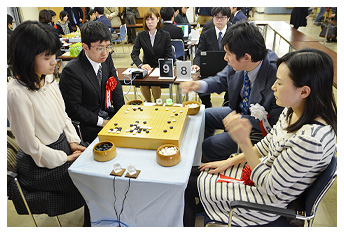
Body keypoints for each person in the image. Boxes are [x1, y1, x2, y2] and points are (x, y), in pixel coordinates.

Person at [183, 48, 337, 226]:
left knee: (186, 185)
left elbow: (269, 186)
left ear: (304, 91)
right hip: (262, 176)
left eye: (279, 83)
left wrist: (244, 142)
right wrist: (228, 162)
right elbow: (267, 143)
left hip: (264, 202)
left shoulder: (311, 141)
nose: (273, 87)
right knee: (192, 174)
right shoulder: (293, 110)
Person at [7, 20, 90, 226]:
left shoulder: (48, 77)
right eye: (47, 57)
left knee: (95, 163)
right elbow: (31, 147)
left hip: (62, 146)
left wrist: (72, 141)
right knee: (88, 181)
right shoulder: (16, 93)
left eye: (54, 55)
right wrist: (66, 157)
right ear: (27, 57)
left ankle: (95, 222)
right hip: (42, 162)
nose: (54, 61)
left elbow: (63, 115)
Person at [180, 22, 283, 162]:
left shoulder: (276, 77)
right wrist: (198, 84)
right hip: (238, 111)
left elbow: (274, 123)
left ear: (246, 57)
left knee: (210, 145)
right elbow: (222, 80)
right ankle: (200, 150)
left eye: (228, 54)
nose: (225, 58)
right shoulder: (244, 62)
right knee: (202, 116)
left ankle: (208, 160)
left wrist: (241, 120)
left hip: (257, 129)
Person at [59, 21, 124, 143]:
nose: (105, 53)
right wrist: (103, 122)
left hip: (107, 114)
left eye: (108, 47)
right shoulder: (72, 71)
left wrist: (122, 114)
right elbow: (74, 109)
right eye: (99, 48)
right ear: (85, 47)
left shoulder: (106, 58)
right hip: (88, 125)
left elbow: (116, 86)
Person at [191, 7, 231, 108]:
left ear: (228, 18)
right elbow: (199, 52)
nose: (219, 20)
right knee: (199, 83)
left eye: (222, 17)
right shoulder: (206, 34)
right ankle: (207, 105)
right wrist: (196, 64)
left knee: (235, 84)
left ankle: (226, 103)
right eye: (216, 17)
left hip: (229, 68)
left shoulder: (234, 32)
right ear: (212, 18)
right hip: (209, 69)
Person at [130, 8, 172, 102]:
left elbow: (168, 56)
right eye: (147, 19)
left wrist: (159, 68)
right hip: (146, 68)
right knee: (143, 81)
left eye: (152, 19)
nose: (150, 22)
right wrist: (141, 65)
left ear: (158, 19)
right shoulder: (141, 35)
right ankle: (148, 103)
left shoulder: (165, 35)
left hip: (160, 68)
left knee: (154, 82)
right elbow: (134, 54)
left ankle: (157, 103)